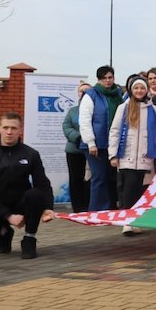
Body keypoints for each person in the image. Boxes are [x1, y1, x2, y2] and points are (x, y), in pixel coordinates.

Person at [0, 113, 56, 258]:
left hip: (21, 203)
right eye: (6, 127)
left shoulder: (31, 154)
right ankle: (4, 233)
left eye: (13, 128)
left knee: (35, 195)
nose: (9, 132)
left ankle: (29, 239)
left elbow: (42, 183)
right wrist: (8, 216)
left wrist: (48, 208)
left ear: (20, 130)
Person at [108, 78, 156, 234]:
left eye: (142, 88)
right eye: (136, 88)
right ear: (131, 90)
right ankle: (127, 221)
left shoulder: (152, 109)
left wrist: (153, 144)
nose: (139, 91)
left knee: (138, 188)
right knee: (128, 187)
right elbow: (115, 131)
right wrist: (113, 154)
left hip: (144, 156)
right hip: (125, 154)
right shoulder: (123, 107)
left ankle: (134, 220)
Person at [78, 65, 124, 211]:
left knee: (111, 178)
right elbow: (84, 120)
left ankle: (109, 208)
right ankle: (97, 210)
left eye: (110, 77)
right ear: (98, 79)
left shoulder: (117, 95)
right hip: (95, 145)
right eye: (104, 78)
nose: (108, 81)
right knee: (99, 177)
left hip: (113, 143)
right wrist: (91, 142)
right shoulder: (91, 94)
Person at [62, 82, 92, 213]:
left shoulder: (96, 109)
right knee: (76, 179)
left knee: (91, 178)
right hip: (74, 150)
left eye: (87, 90)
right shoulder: (73, 111)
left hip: (92, 150)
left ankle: (90, 205)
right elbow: (66, 127)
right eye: (81, 91)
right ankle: (78, 207)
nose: (84, 93)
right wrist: (79, 137)